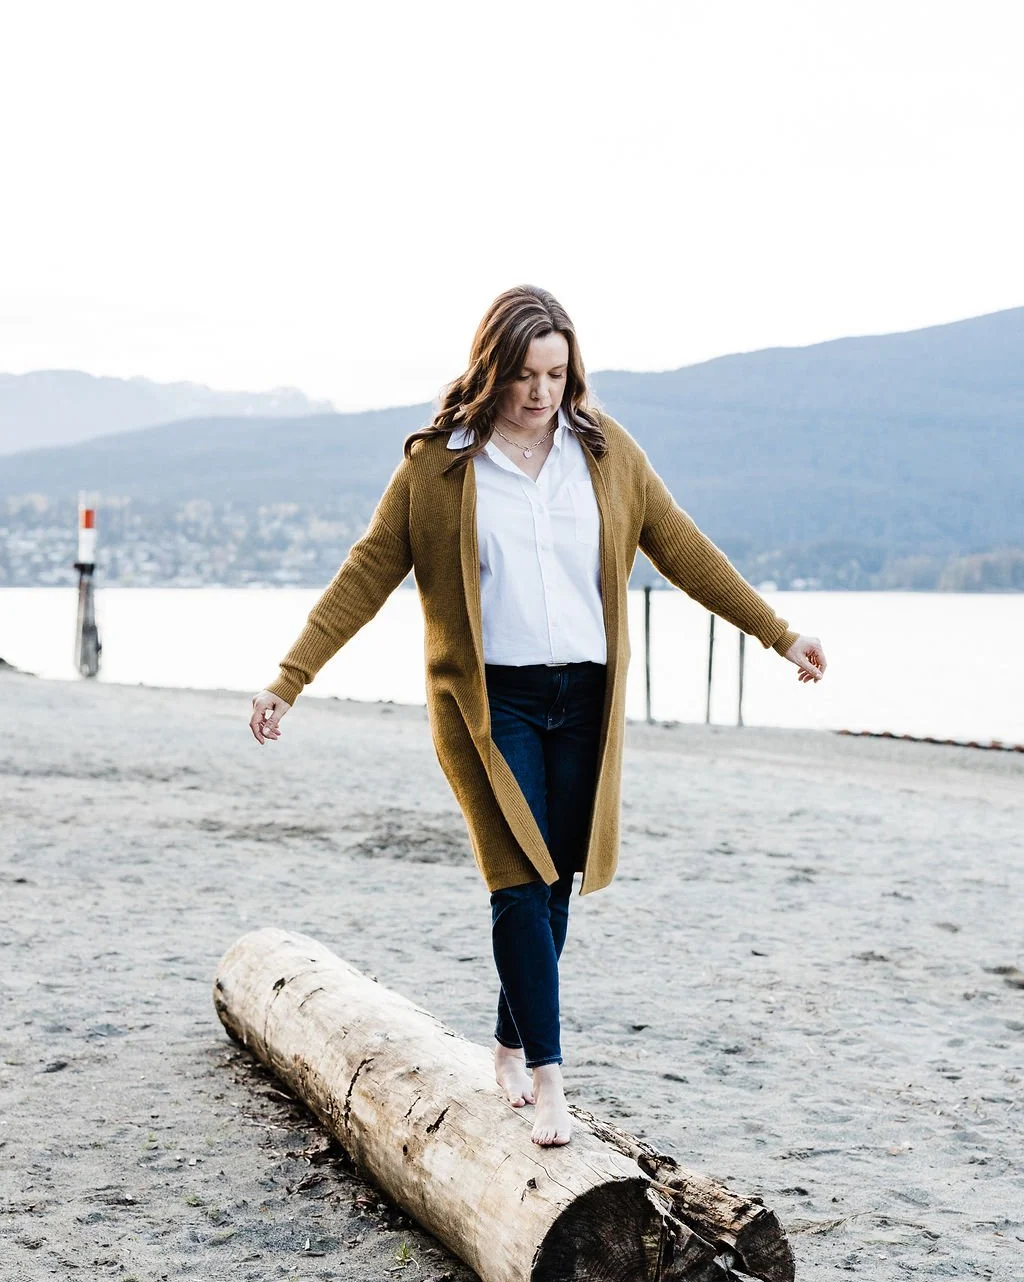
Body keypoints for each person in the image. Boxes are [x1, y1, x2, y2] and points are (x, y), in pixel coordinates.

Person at [249, 285, 827, 1149]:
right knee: (517, 878)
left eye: (556, 373)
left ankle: (510, 1039)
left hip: (584, 701)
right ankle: (549, 1084)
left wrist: (780, 635)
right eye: (525, 374)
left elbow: (685, 550)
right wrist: (287, 680)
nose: (541, 392)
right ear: (492, 370)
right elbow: (364, 576)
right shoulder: (436, 469)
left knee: (555, 881)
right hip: (490, 707)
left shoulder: (604, 454)